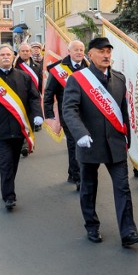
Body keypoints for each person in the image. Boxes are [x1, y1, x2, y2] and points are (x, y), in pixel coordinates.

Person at [62, 37, 138, 247]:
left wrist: (127, 133)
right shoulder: (78, 79)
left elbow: (123, 110)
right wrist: (80, 133)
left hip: (115, 143)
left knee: (123, 187)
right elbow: (69, 109)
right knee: (89, 188)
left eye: (109, 51)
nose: (106, 55)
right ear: (90, 54)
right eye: (101, 51)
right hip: (89, 143)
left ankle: (128, 232)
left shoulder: (119, 78)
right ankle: (91, 225)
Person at [0, 43, 43, 210]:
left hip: (20, 127)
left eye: (8, 55)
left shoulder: (24, 77)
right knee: (6, 161)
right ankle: (9, 195)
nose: (5, 57)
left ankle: (8, 187)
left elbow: (33, 97)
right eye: (2, 55)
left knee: (14, 161)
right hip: (0, 127)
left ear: (13, 57)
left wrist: (38, 114)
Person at [44, 40, 87, 188]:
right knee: (74, 144)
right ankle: (78, 177)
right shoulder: (58, 69)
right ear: (69, 51)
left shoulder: (89, 67)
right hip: (67, 113)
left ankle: (72, 172)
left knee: (84, 144)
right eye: (76, 49)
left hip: (86, 114)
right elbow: (49, 92)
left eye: (81, 49)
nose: (79, 52)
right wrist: (49, 113)